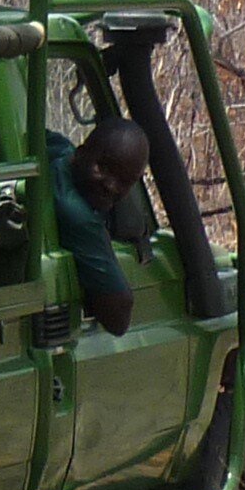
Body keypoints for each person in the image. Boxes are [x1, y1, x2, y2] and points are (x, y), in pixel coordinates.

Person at [47, 118, 151, 333]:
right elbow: (118, 318)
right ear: (82, 151)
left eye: (124, 181)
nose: (111, 185)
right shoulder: (77, 215)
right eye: (103, 167)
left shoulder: (58, 148)